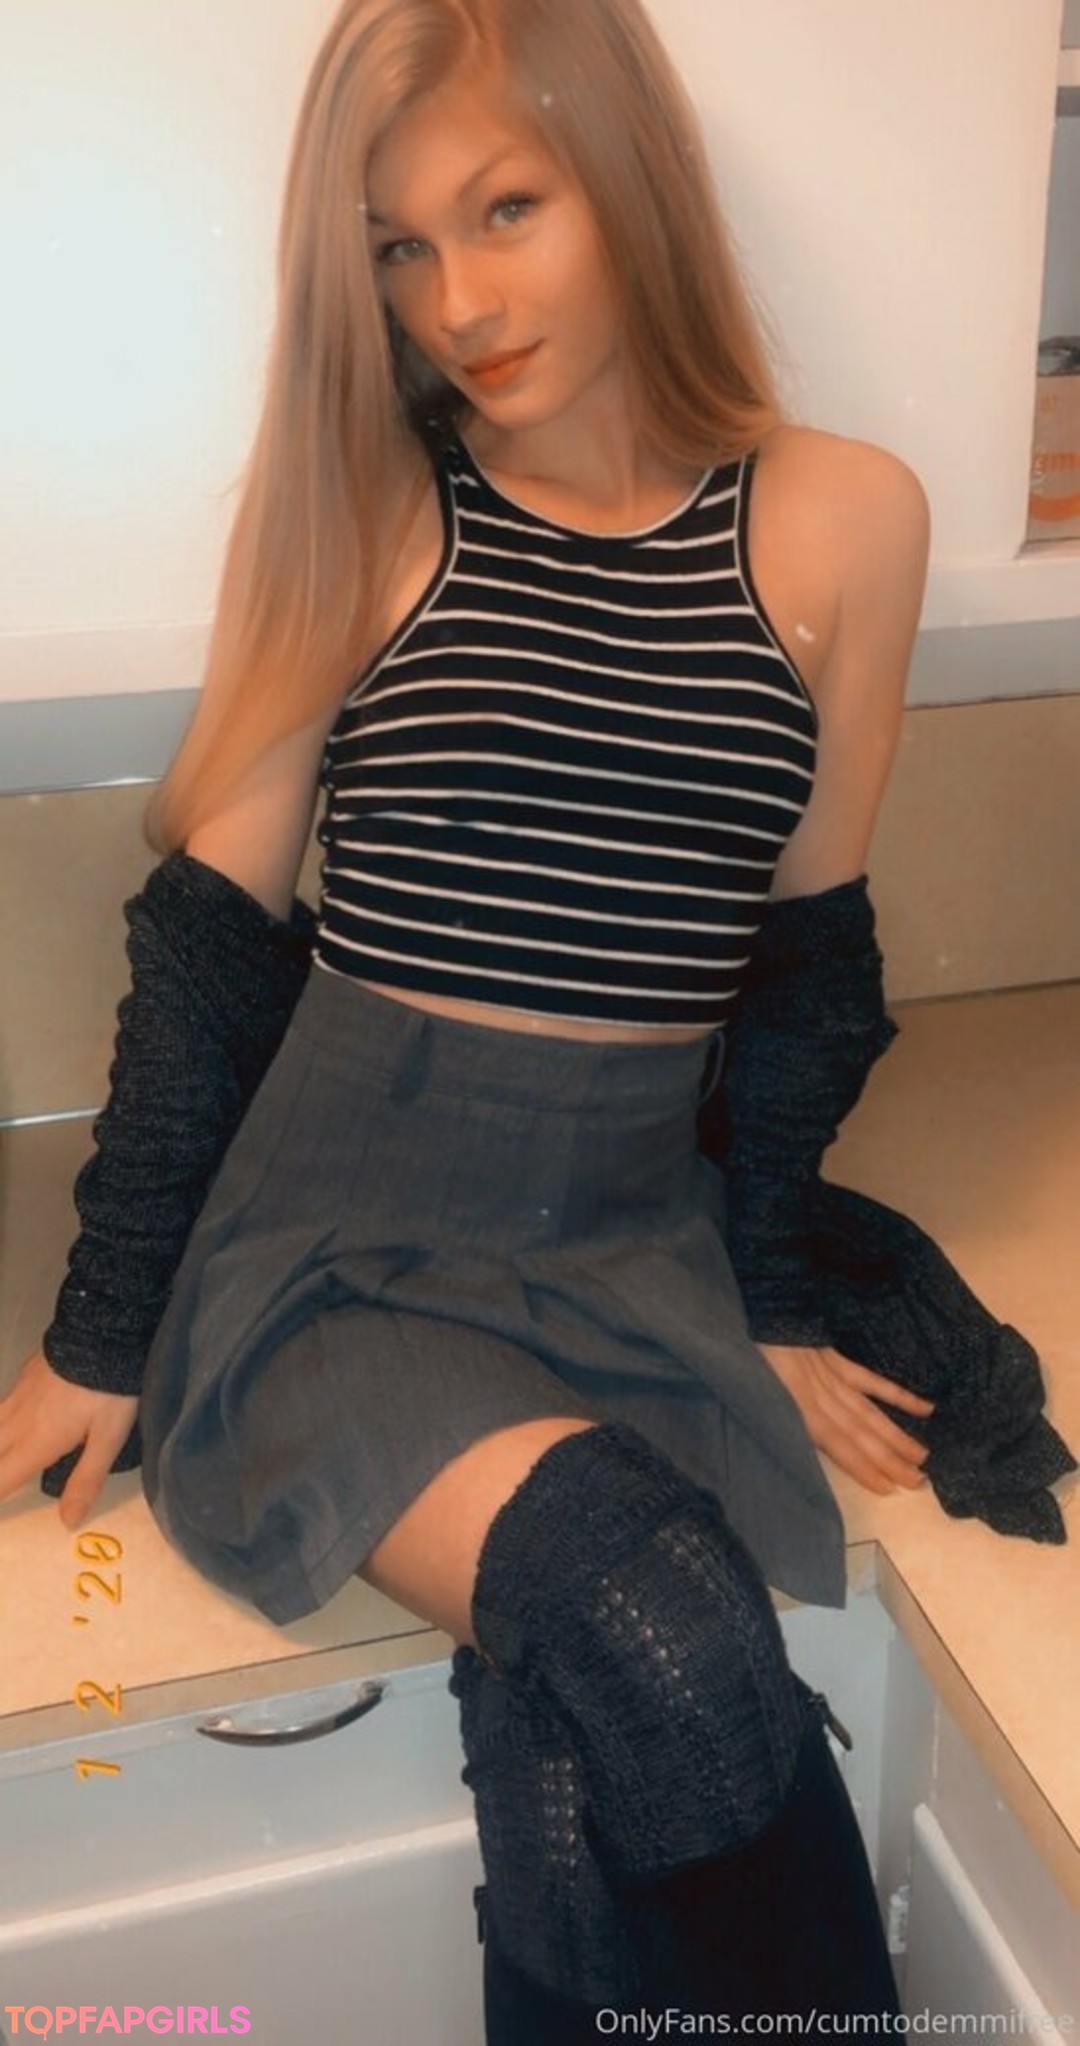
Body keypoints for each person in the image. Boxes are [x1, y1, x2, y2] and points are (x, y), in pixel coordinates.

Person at [0, 0, 935, 2033]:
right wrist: (100, 1331)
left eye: (506, 209)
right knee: (666, 1628)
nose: (457, 302)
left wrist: (776, 1289)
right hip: (342, 1250)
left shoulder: (847, 518)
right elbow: (215, 941)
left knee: (584, 1733)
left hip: (629, 1236)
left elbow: (807, 962)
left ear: (633, 176)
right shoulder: (368, 512)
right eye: (399, 247)